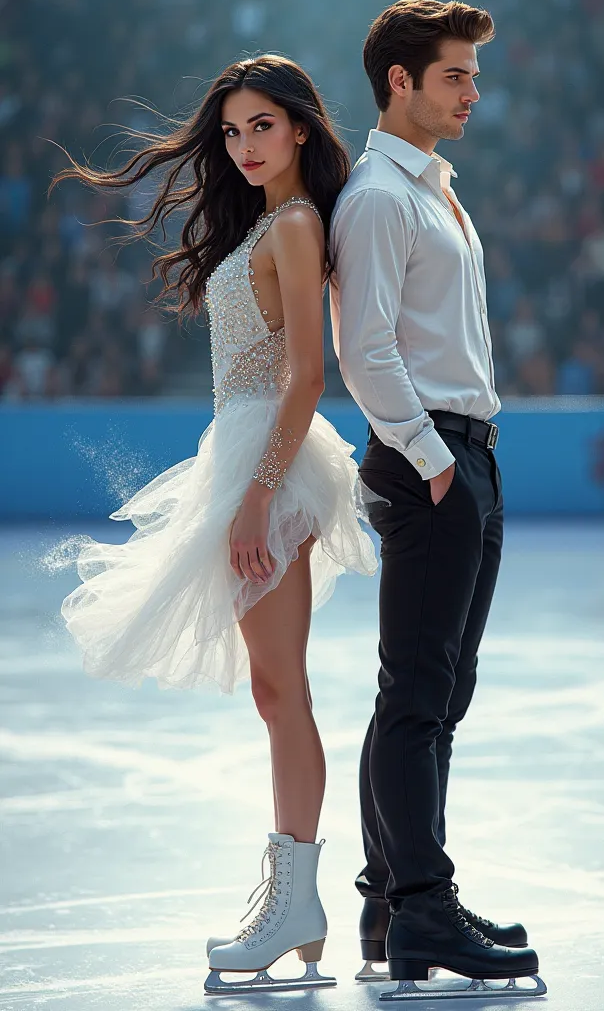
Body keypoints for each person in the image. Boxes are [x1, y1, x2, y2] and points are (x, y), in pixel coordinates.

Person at [53, 55, 377, 994]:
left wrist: (256, 494)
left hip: (266, 467)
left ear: (303, 130)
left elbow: (311, 379)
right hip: (243, 456)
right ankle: (297, 902)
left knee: (284, 690)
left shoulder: (300, 224)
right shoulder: (269, 224)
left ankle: (296, 897)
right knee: (277, 693)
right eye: (232, 131)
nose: (243, 146)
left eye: (262, 127)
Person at [330, 0, 544, 995]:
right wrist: (428, 456)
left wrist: (461, 459)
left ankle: (394, 898)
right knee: (418, 697)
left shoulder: (433, 191)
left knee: (433, 695)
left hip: (464, 455)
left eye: (471, 72)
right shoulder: (379, 195)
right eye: (455, 73)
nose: (472, 89)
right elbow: (362, 348)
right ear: (399, 83)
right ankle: (421, 907)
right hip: (431, 462)